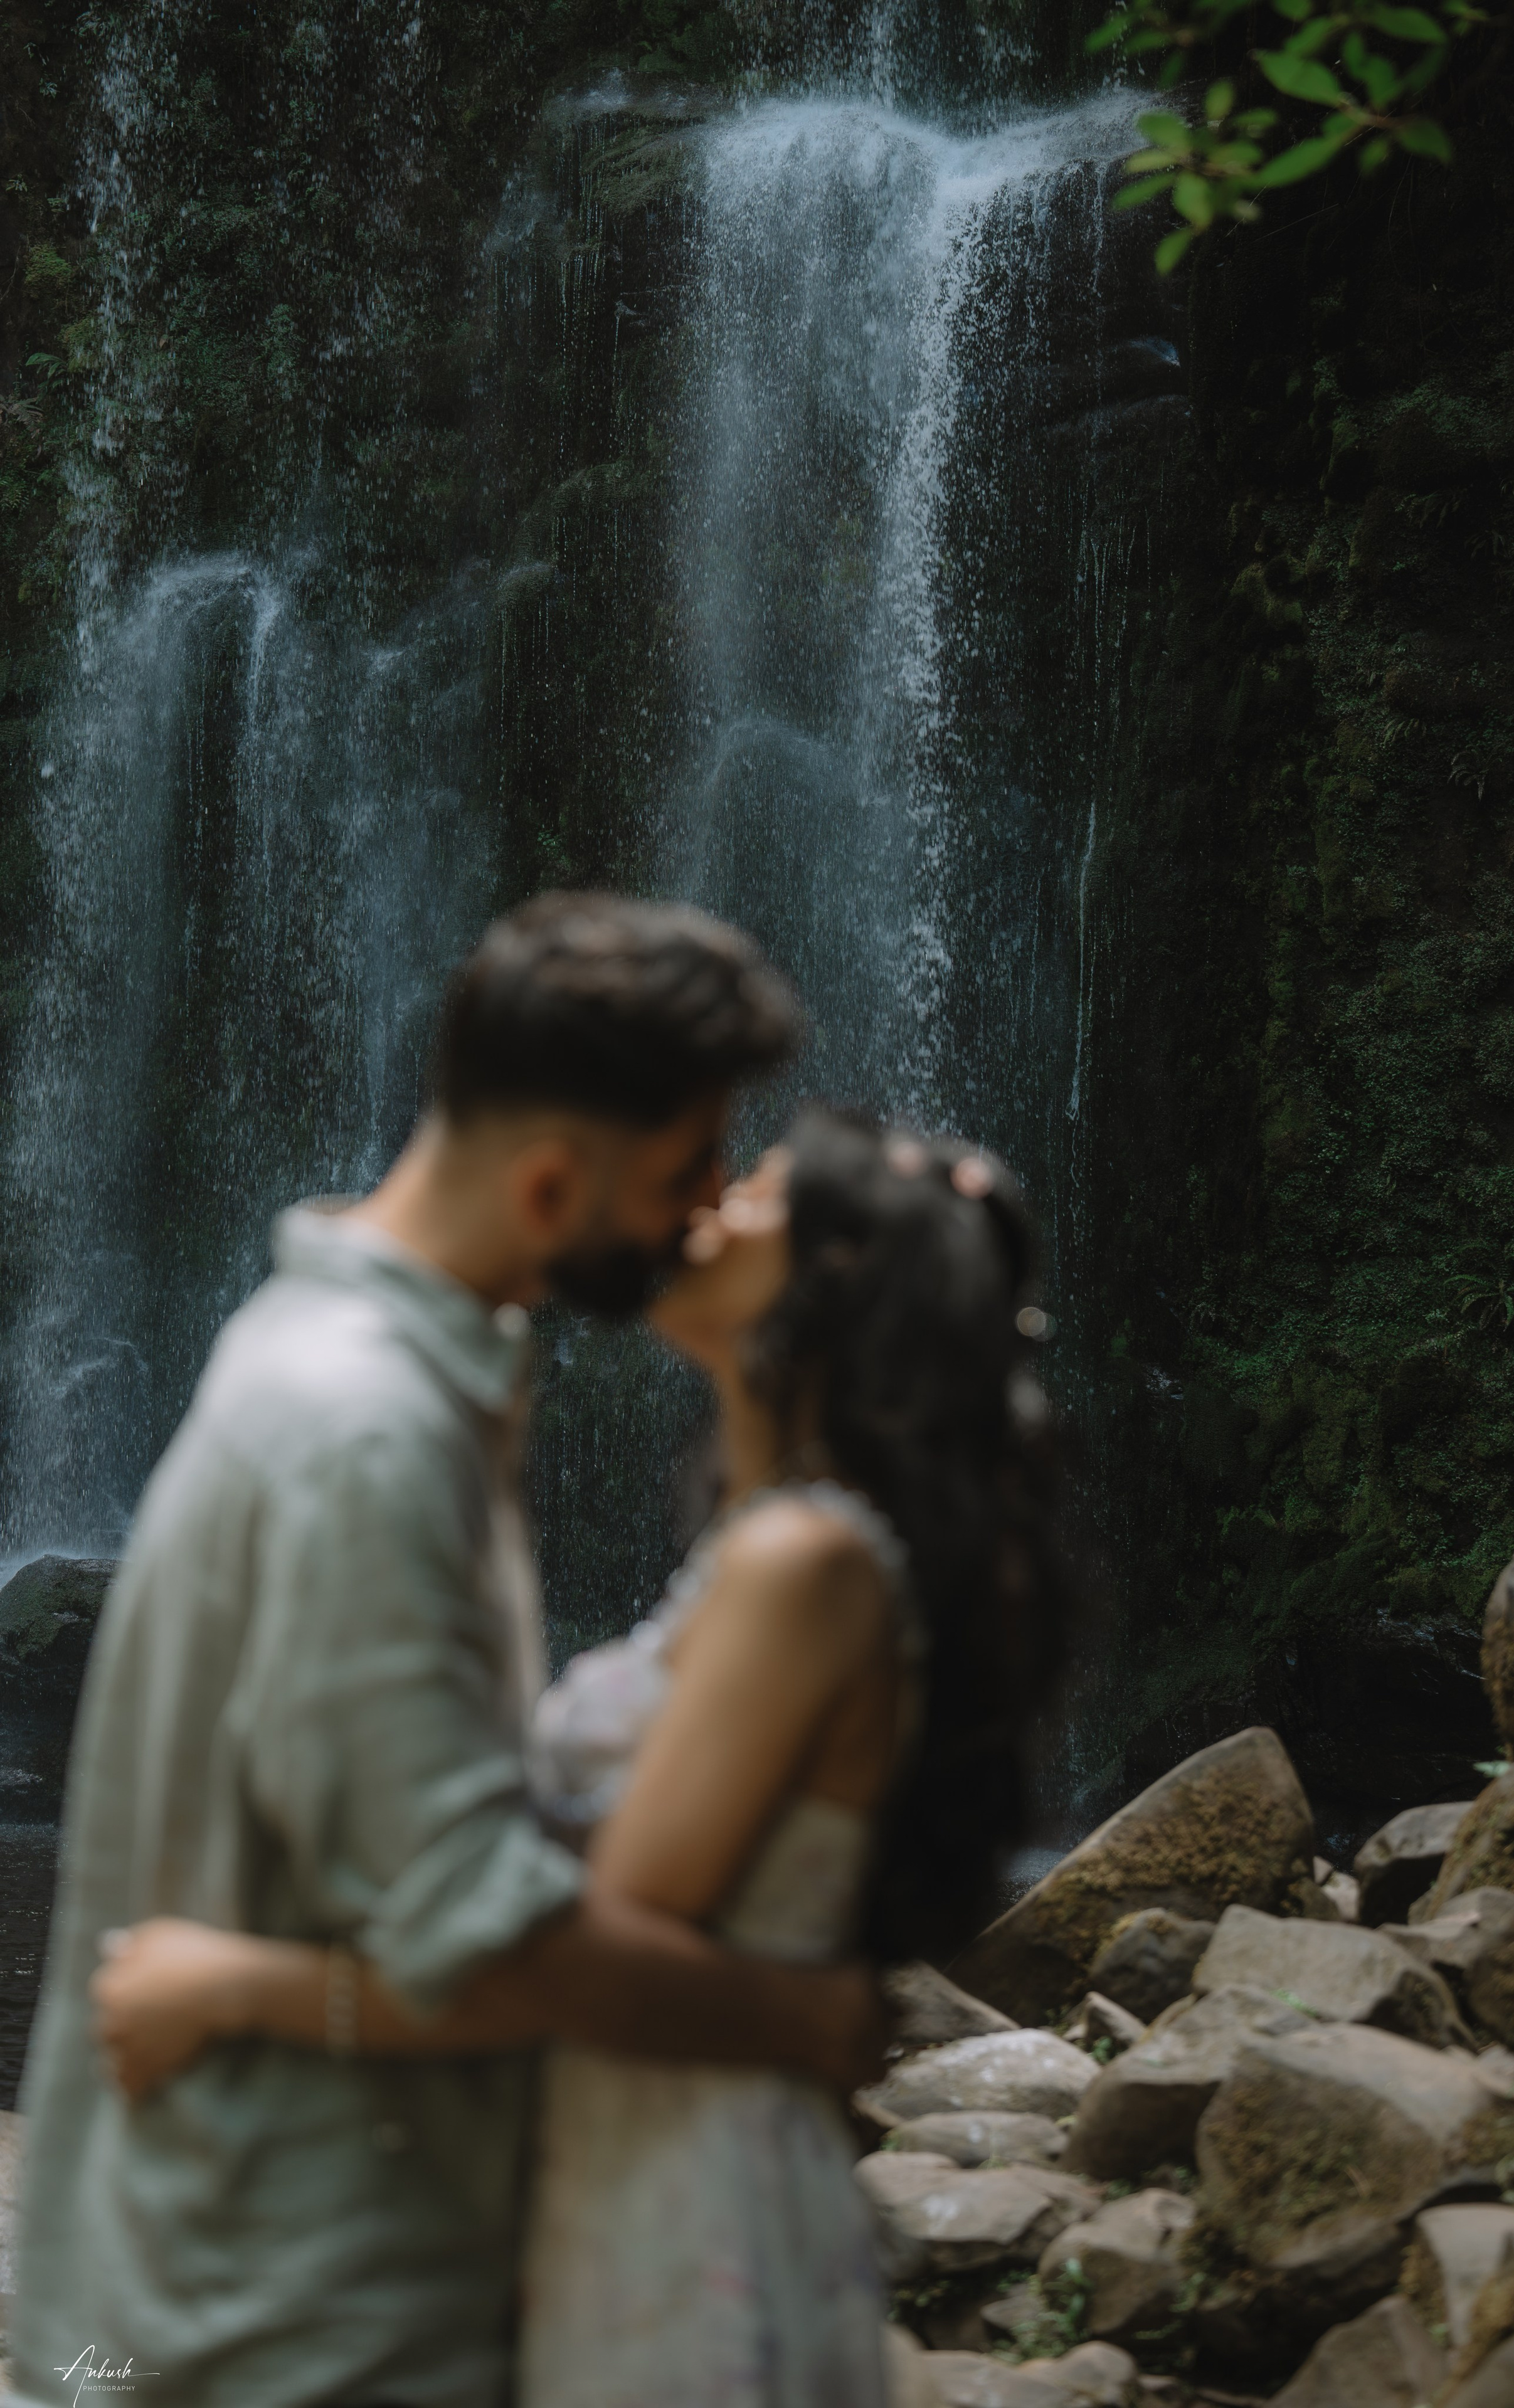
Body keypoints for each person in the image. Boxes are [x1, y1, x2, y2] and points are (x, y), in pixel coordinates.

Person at [11, 894, 891, 2408]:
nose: (708, 1213)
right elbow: (481, 1928)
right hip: (296, 2309)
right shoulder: (370, 1436)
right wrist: (806, 2017)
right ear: (552, 1181)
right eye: (687, 1170)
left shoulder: (340, 1364)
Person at [93, 1107, 1069, 2408]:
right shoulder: (773, 1546)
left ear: (833, 1279)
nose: (706, 1205)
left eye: (758, 1189)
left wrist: (235, 1988)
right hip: (631, 2177)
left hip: (685, 2215)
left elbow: (581, 1955)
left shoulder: (804, 1564)